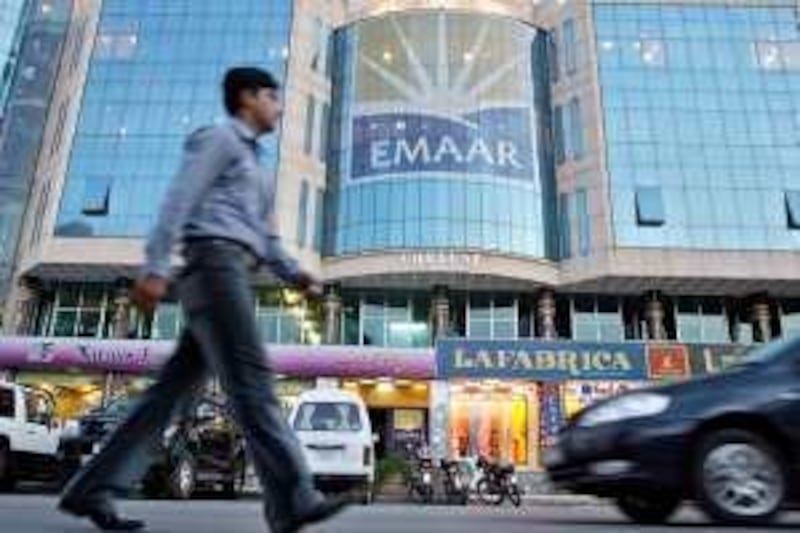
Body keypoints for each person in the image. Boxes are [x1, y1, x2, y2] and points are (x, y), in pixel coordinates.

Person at [59, 67, 347, 532]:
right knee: (253, 384)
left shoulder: (259, 168)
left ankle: (91, 490)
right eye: (272, 97)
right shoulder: (220, 141)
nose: (279, 106)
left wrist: (297, 275)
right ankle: (295, 497)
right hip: (213, 267)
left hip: (230, 270)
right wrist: (154, 267)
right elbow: (180, 199)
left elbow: (266, 238)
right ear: (248, 98)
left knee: (167, 396)